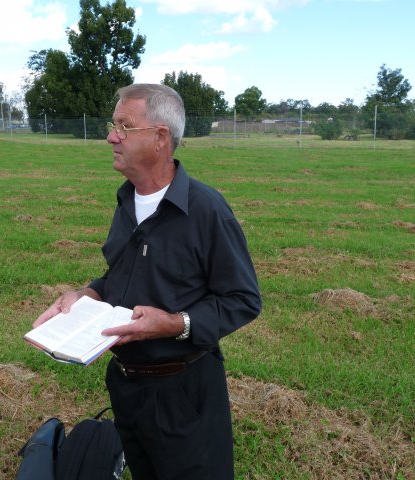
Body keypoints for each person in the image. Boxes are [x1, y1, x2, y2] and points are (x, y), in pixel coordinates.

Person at [34, 83, 262, 479]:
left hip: (183, 394)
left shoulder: (206, 210)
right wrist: (83, 294)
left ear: (160, 138)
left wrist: (175, 324)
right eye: (113, 124)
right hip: (125, 384)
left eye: (124, 126)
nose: (111, 136)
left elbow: (243, 299)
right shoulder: (126, 200)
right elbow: (119, 275)